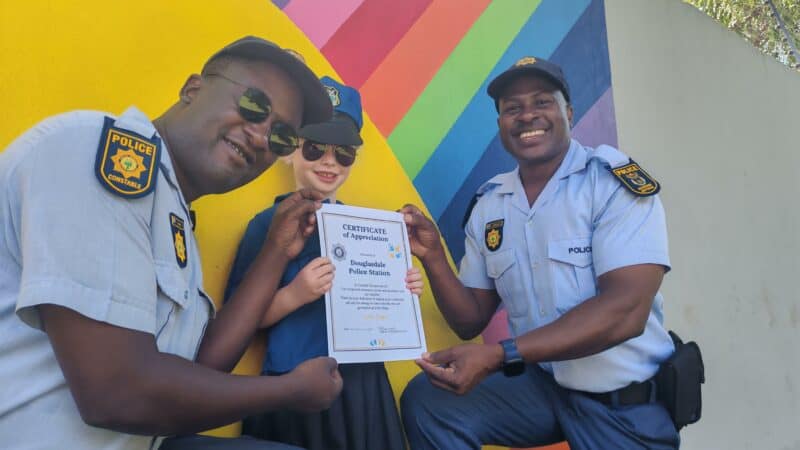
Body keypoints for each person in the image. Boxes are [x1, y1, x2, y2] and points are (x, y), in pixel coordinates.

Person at [0, 36, 346, 450]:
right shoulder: (97, 152)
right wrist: (287, 391)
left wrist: (276, 251)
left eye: (281, 137)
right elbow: (116, 393)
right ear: (193, 88)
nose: (260, 136)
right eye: (254, 105)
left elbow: (201, 368)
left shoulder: (173, 218)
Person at [399, 56, 680, 449]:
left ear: (568, 112)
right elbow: (469, 319)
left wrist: (501, 355)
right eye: (512, 108)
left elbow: (626, 311)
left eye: (542, 102)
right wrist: (431, 257)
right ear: (500, 125)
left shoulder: (611, 185)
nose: (527, 115)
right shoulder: (491, 205)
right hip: (544, 389)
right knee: (431, 401)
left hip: (621, 405)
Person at [224, 76, 419, 450]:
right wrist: (296, 294)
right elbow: (239, 321)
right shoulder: (268, 225)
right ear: (290, 151)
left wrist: (403, 290)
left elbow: (384, 310)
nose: (329, 161)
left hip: (361, 382)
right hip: (294, 378)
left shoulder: (368, 230)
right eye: (314, 148)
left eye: (343, 152)